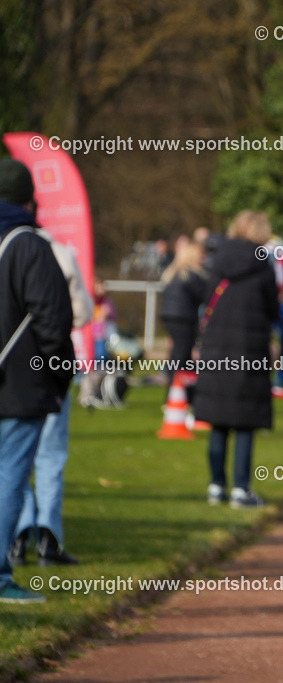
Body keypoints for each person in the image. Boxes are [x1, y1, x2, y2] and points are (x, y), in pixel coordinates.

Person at [0, 158, 75, 603]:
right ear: (31, 199)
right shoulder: (30, 245)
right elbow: (53, 321)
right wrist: (57, 377)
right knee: (9, 476)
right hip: (18, 385)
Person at [9, 223, 93, 568]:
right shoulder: (59, 252)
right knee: (50, 453)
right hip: (51, 360)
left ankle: (19, 533)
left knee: (14, 457)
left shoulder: (7, 251)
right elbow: (83, 312)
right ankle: (48, 536)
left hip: (14, 368)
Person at [193, 210, 279, 509]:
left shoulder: (217, 261)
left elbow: (206, 299)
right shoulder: (264, 266)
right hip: (249, 348)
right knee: (245, 421)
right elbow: (273, 309)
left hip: (217, 348)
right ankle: (241, 488)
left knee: (218, 421)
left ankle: (216, 486)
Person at [159, 239, 208, 391]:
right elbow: (205, 295)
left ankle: (184, 390)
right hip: (183, 319)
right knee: (182, 355)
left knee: (179, 354)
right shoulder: (192, 275)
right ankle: (175, 391)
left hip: (170, 316)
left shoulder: (174, 273)